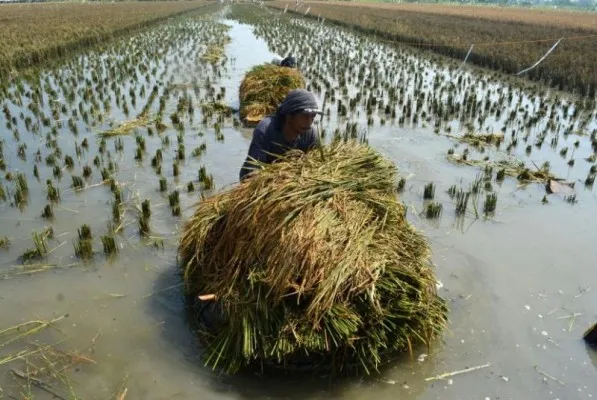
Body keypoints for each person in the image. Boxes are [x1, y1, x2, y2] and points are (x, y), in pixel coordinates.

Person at [239, 89, 322, 181]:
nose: (309, 122)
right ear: (289, 116)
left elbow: (317, 166)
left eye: (313, 116)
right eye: (305, 116)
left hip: (292, 179)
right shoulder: (266, 130)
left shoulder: (311, 135)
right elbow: (253, 172)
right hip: (259, 182)